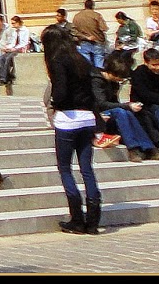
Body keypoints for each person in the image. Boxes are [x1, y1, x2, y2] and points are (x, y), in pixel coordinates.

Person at [44, 24, 102, 235]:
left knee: (66, 169)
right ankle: (94, 220)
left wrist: (54, 102)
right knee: (87, 169)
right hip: (87, 118)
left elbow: (60, 93)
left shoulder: (58, 61)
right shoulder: (81, 59)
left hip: (68, 119)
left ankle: (77, 218)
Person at [89, 51, 159, 161]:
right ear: (112, 74)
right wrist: (127, 106)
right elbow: (101, 103)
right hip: (98, 113)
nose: (121, 81)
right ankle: (133, 148)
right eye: (120, 78)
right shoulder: (96, 81)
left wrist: (127, 106)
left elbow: (114, 101)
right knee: (121, 111)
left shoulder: (113, 83)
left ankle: (148, 147)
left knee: (127, 112)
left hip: (109, 111)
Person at [71, 0, 108, 71]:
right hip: (97, 41)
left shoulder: (77, 16)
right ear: (92, 6)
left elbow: (74, 31)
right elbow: (103, 28)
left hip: (84, 42)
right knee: (99, 63)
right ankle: (99, 78)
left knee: (86, 65)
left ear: (84, 6)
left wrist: (86, 37)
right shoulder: (96, 15)